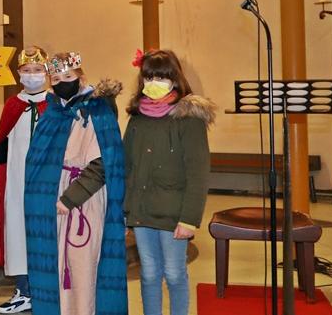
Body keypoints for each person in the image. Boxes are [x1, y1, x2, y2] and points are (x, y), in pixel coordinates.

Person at [24, 52, 127, 315]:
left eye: (68, 77)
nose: (61, 82)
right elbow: (38, 161)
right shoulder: (53, 113)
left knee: (82, 268)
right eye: (56, 78)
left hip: (84, 199)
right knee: (59, 268)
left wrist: (70, 198)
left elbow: (104, 162)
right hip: (54, 198)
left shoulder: (98, 110)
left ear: (81, 77)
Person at [123, 49, 214, 315]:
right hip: (142, 210)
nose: (154, 83)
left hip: (175, 213)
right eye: (149, 76)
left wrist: (189, 219)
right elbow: (127, 165)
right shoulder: (137, 117)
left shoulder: (189, 118)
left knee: (174, 274)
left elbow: (198, 173)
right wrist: (123, 210)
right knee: (149, 274)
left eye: (161, 77)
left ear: (175, 79)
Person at [0, 46, 50, 314]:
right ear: (19, 73)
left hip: (47, 185)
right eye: (27, 71)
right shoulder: (13, 105)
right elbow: (5, 146)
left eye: (37, 70)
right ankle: (23, 291)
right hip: (18, 182)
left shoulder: (55, 106)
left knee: (45, 234)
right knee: (18, 232)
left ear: (46, 73)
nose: (32, 75)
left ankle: (45, 291)